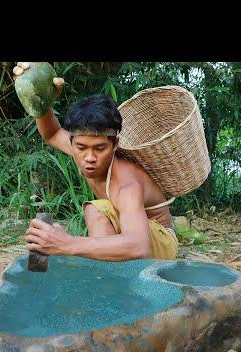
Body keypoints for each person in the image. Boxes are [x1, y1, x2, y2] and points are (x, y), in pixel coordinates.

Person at [13, 62, 178, 261]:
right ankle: (108, 275)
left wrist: (66, 243)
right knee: (97, 211)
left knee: (95, 210)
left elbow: (138, 246)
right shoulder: (82, 146)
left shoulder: (126, 185)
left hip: (159, 242)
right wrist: (40, 100)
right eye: (81, 148)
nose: (89, 157)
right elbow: (53, 132)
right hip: (132, 231)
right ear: (72, 142)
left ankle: (110, 280)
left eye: (100, 148)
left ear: (115, 144)